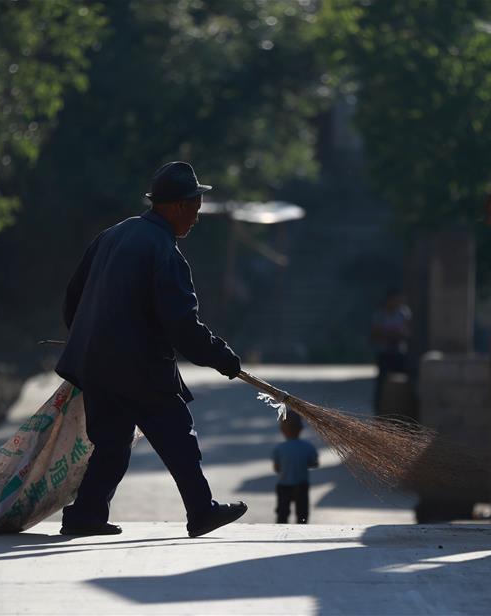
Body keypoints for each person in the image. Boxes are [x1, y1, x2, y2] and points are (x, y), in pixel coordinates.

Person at [55, 161, 248, 538]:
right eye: (195, 208)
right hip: (139, 368)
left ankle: (85, 515)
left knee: (111, 443)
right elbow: (182, 325)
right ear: (177, 206)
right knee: (178, 435)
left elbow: (73, 297)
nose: (196, 217)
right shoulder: (164, 251)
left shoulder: (112, 235)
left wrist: (87, 339)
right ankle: (201, 510)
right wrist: (222, 357)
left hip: (95, 366)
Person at [272, 410, 318, 524]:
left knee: (282, 513)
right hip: (301, 485)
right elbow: (314, 464)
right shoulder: (308, 447)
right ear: (300, 428)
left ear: (282, 429)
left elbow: (277, 468)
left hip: (284, 486)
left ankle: (281, 529)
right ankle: (301, 528)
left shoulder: (279, 448)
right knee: (302, 513)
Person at [371, 289, 412, 414]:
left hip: (399, 352)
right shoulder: (381, 314)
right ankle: (380, 410)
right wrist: (390, 335)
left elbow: (407, 332)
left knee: (404, 381)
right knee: (382, 383)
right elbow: (376, 333)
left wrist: (396, 335)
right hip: (385, 353)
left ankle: (402, 410)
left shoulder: (403, 313)